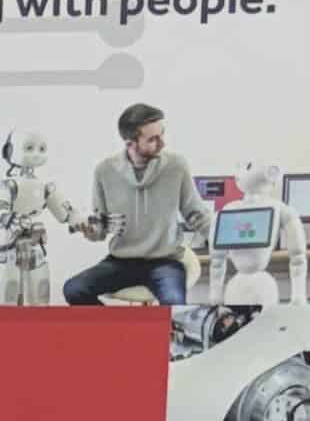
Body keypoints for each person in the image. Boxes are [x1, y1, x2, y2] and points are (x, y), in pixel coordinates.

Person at [63, 103, 208, 308]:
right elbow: (100, 231)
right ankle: (118, 334)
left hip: (165, 260)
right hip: (121, 261)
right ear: (130, 143)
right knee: (73, 290)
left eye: (162, 134)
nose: (162, 143)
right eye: (153, 139)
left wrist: (222, 239)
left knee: (175, 307)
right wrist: (89, 229)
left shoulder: (177, 166)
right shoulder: (104, 171)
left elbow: (196, 214)